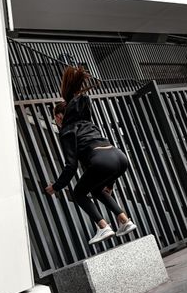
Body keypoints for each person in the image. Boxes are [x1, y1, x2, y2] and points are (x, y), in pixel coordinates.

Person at [45, 66, 137, 245]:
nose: (55, 122)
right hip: (119, 157)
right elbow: (106, 159)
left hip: (102, 161)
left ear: (59, 117)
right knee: (96, 190)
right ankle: (125, 221)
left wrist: (56, 187)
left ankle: (103, 227)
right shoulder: (88, 123)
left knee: (79, 193)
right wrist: (109, 183)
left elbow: (70, 166)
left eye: (55, 119)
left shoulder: (68, 132)